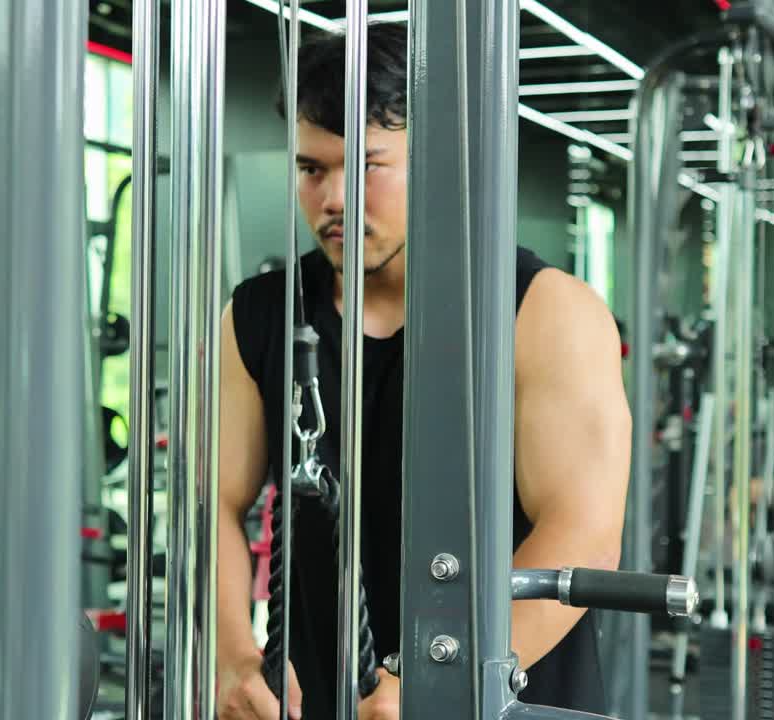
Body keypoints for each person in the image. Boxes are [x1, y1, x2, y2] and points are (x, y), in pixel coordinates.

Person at [214, 23, 631, 720]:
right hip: (323, 697)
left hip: (503, 696)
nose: (334, 198)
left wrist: (450, 682)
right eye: (311, 169)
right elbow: (215, 508)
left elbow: (583, 529)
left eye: (368, 166)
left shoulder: (543, 310)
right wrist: (234, 658)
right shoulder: (259, 315)